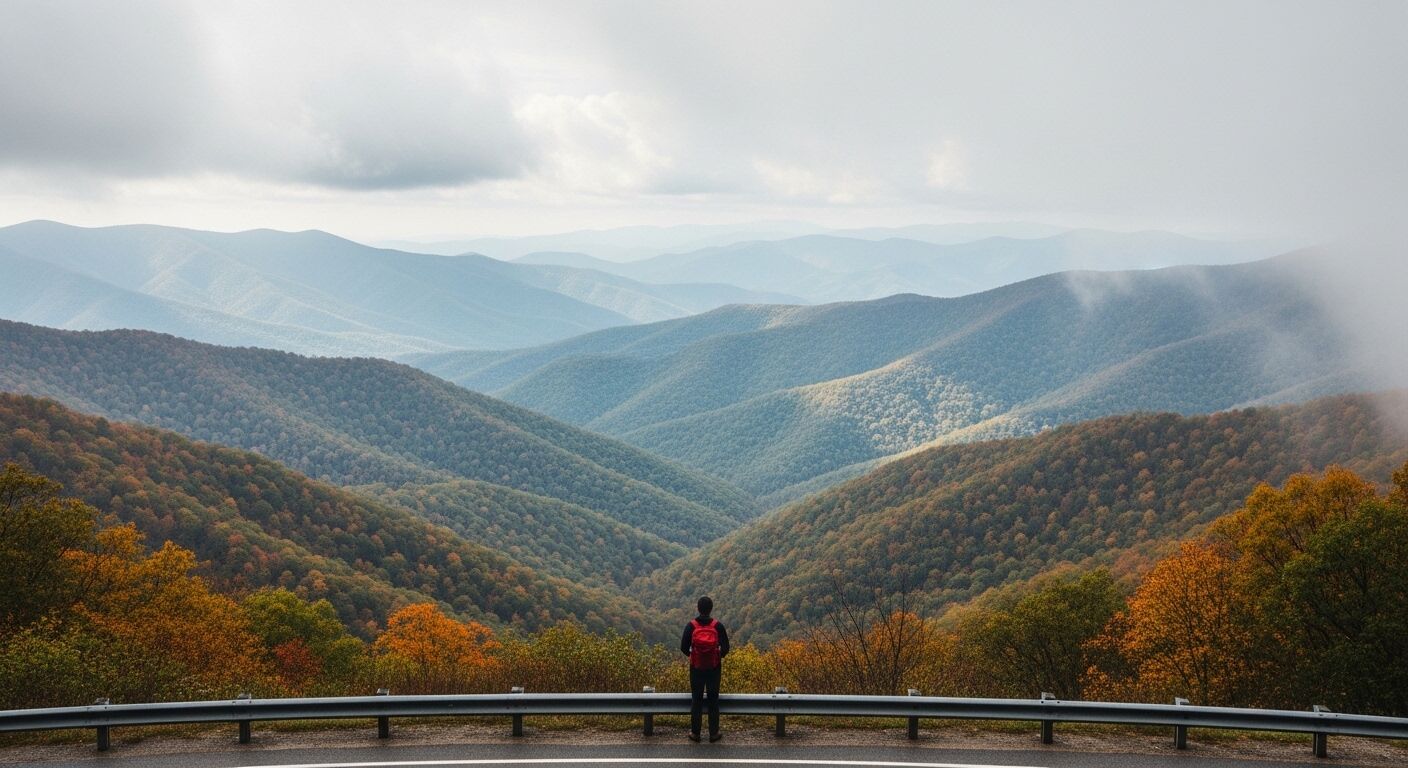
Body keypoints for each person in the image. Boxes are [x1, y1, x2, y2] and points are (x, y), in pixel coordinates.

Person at [680, 595, 729, 742]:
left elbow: (683, 647)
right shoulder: (717, 626)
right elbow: (726, 648)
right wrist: (717, 656)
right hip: (714, 668)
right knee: (713, 700)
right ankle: (714, 733)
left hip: (696, 668)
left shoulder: (691, 626)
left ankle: (695, 733)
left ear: (698, 608)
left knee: (697, 699)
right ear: (711, 609)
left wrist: (694, 656)